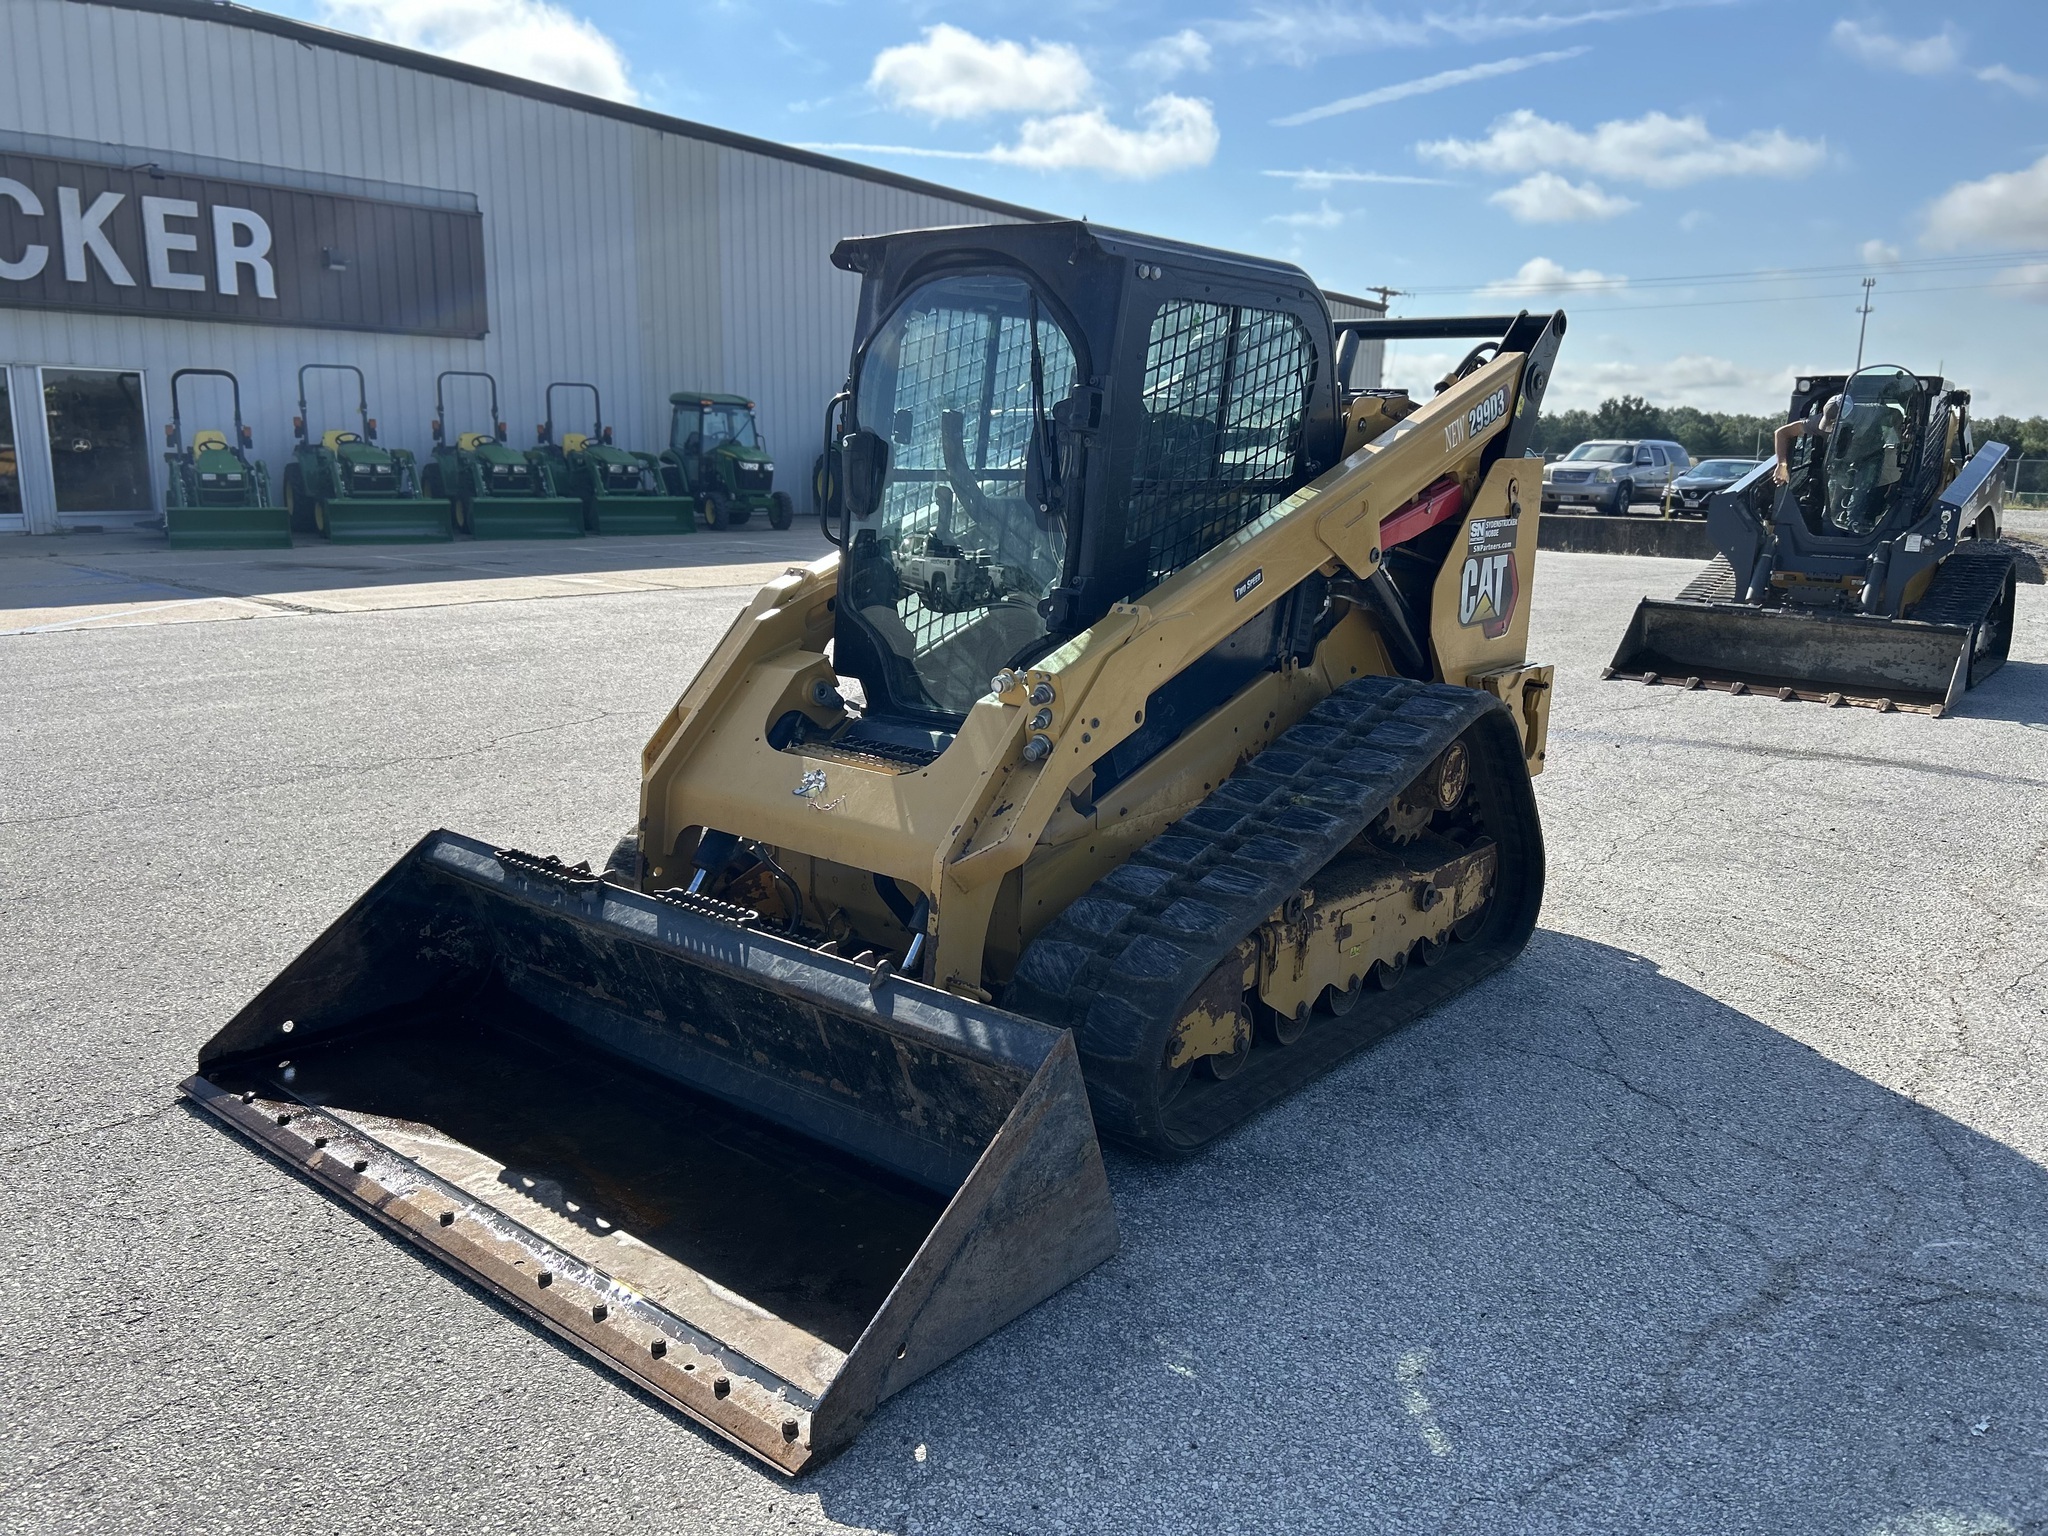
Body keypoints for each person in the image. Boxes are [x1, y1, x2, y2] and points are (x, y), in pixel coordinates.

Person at [1772, 392, 1841, 484]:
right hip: (1837, 471)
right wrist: (1782, 464)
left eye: (1834, 424)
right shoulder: (1818, 422)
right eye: (1828, 422)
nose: (1830, 428)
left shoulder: (1865, 424)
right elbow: (1782, 433)